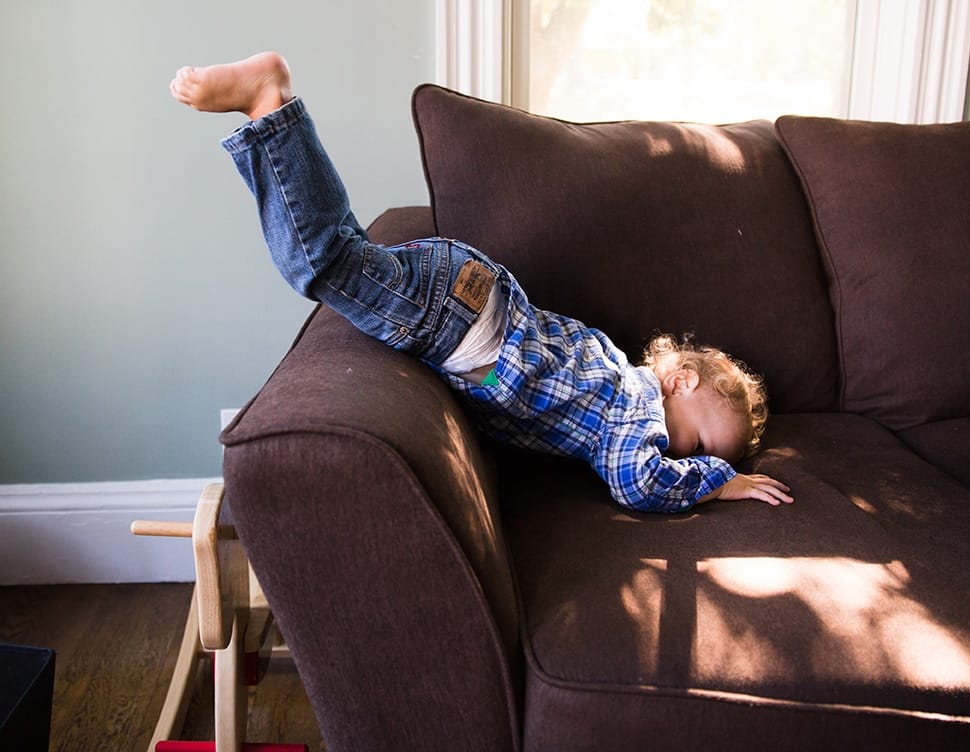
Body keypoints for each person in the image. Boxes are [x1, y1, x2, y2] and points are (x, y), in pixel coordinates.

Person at [171, 52, 794, 513]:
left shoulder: (607, 366)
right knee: (324, 263)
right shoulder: (635, 409)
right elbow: (637, 482)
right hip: (464, 325)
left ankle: (263, 124)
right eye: (700, 444)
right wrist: (722, 484)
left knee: (336, 259)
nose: (689, 459)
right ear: (679, 382)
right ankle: (271, 102)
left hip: (469, 295)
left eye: (708, 461)